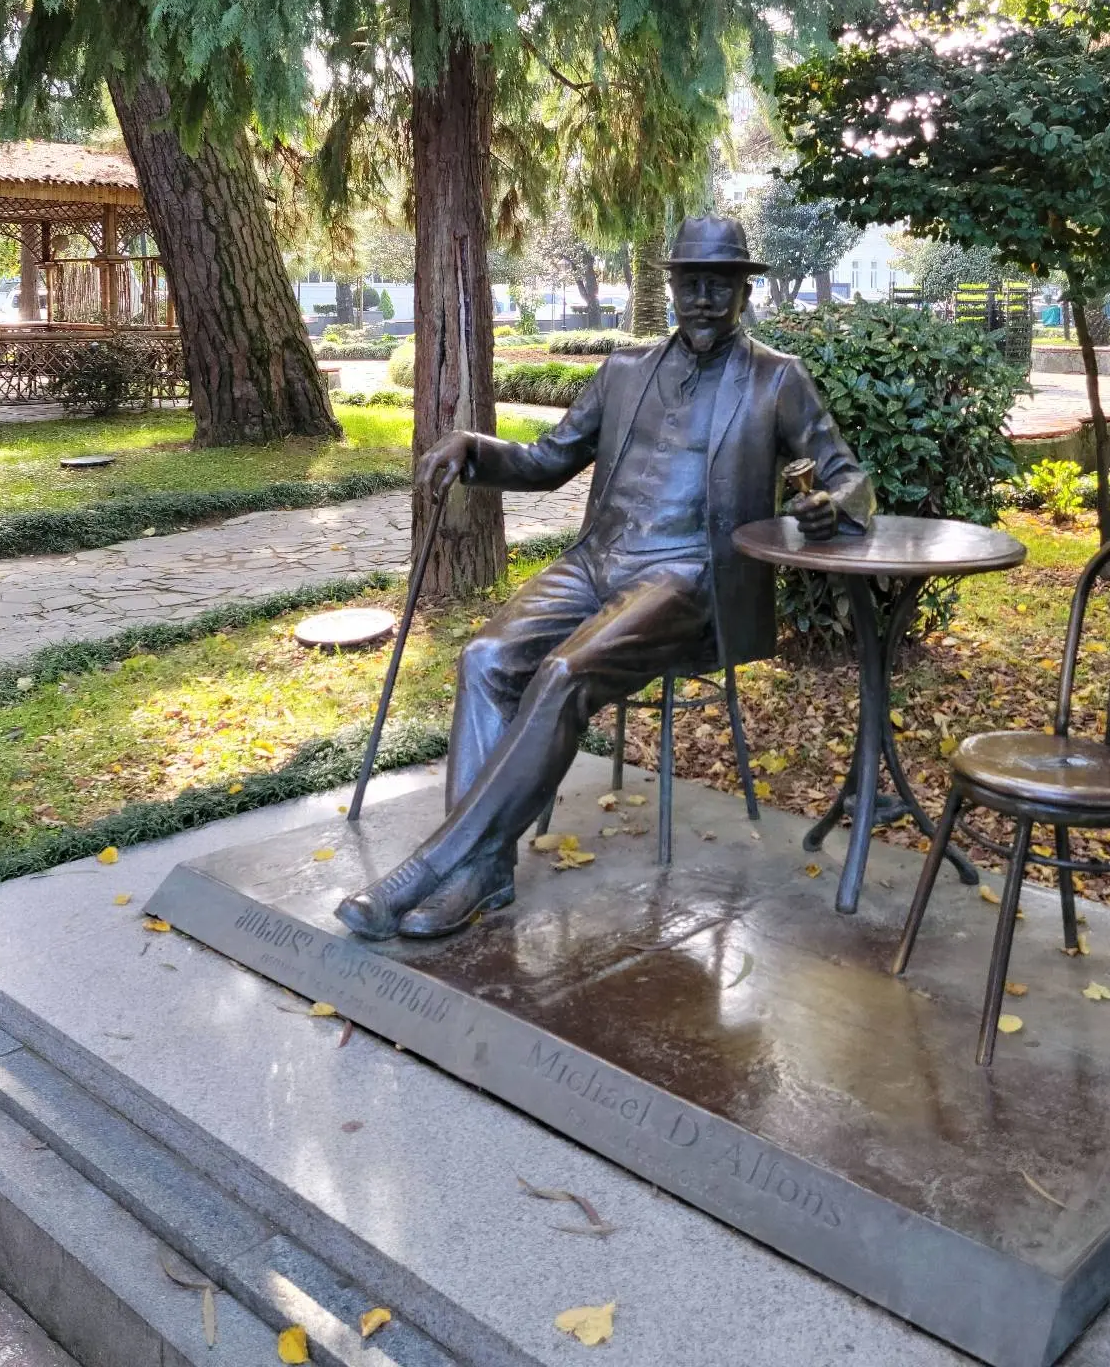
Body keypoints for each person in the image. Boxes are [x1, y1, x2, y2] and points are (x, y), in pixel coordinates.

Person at [336, 216, 874, 941]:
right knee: (486, 657)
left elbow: (851, 480)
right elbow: (550, 459)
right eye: (692, 284)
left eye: (722, 285)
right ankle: (482, 869)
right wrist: (479, 449)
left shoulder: (777, 380)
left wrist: (828, 508)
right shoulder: (623, 373)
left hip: (687, 579)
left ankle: (432, 866)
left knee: (563, 674)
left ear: (745, 292)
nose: (705, 300)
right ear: (671, 287)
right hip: (598, 562)